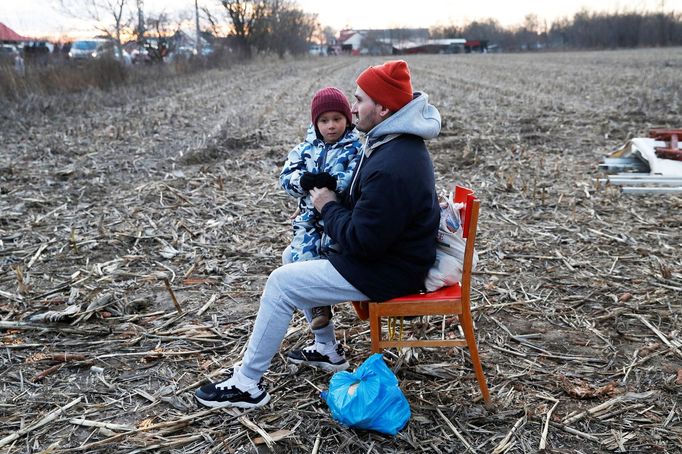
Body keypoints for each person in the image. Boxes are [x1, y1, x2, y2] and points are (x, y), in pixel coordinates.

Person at [195, 60, 441, 409]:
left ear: (384, 107)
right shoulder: (393, 144)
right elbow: (367, 217)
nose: (352, 109)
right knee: (290, 257)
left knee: (282, 282)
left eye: (359, 100)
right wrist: (320, 212)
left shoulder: (394, 163)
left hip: (388, 270)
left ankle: (247, 383)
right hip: (389, 257)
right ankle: (326, 349)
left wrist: (326, 205)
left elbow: (363, 241)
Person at [279, 87, 362, 330]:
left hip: (337, 218)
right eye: (324, 121)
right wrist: (301, 182)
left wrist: (336, 183)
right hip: (308, 218)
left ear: (347, 120)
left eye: (337, 119)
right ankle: (318, 307)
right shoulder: (304, 150)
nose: (331, 126)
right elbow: (285, 177)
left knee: (330, 253)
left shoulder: (355, 149)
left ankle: (327, 298)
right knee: (302, 255)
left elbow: (355, 177)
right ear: (315, 123)